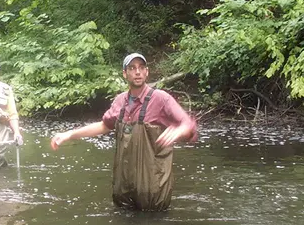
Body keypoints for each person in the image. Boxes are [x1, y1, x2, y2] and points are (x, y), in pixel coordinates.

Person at [50, 53, 197, 211]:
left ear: (147, 72)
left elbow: (189, 126)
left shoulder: (161, 99)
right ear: (125, 74)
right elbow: (103, 126)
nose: (138, 72)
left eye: (141, 68)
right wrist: (70, 134)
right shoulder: (120, 101)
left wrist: (181, 129)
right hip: (124, 192)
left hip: (153, 193)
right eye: (132, 68)